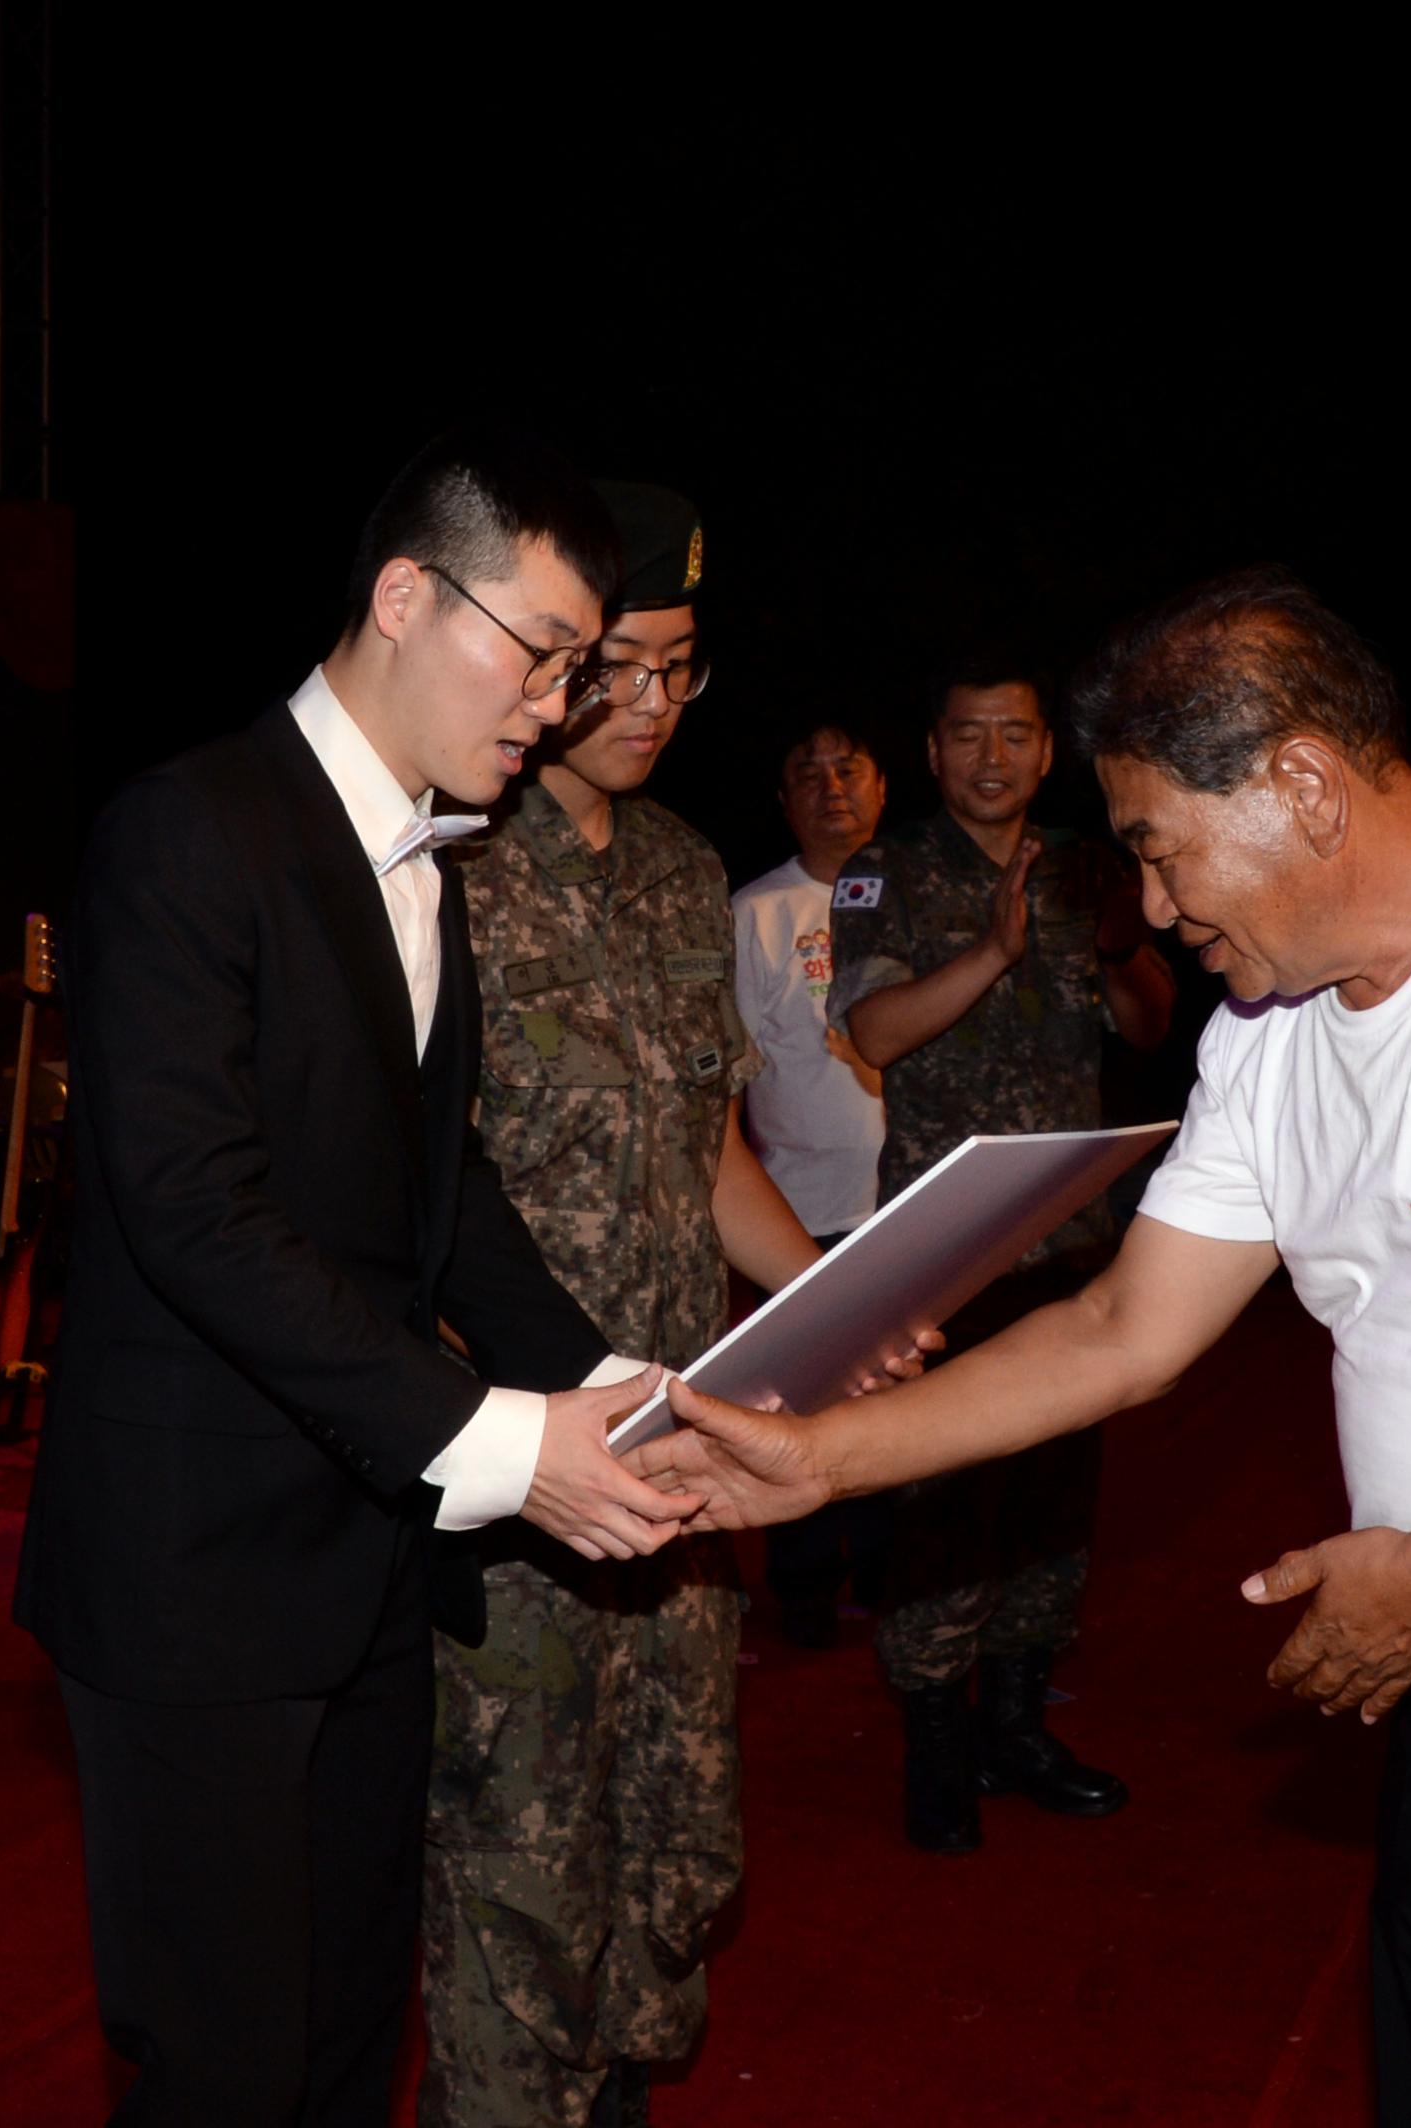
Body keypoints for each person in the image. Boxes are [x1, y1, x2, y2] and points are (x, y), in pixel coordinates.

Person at [640, 567, 1411, 2127]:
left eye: (1161, 848)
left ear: (1303, 785)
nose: (1154, 907)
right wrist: (813, 1459)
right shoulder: (1267, 1031)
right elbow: (1120, 1326)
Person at [13, 430, 707, 2126]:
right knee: (222, 2068)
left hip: (364, 1559)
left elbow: (437, 1201)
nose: (556, 700)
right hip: (191, 1579)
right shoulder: (188, 829)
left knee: (344, 2043)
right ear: (405, 592)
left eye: (580, 666)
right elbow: (193, 1208)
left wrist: (622, 1382)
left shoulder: (429, 861)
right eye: (540, 651)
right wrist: (500, 1435)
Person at [421, 482, 825, 2128]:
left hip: (686, 1440)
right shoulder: (447, 871)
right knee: (519, 1867)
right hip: (526, 1473)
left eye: (683, 672)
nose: (653, 705)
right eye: (622, 669)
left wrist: (834, 1293)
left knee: (673, 1837)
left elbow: (709, 1142)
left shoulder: (681, 869)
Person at [824, 659, 1175, 1850]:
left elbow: (1146, 1024)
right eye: (966, 736)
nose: (990, 758)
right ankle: (935, 1734)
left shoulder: (1087, 864)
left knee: (1048, 1497)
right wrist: (992, 949)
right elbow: (870, 1030)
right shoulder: (888, 872)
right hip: (940, 1248)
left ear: (1043, 752)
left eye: (1013, 737)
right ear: (931, 752)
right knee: (935, 1496)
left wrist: (1124, 947)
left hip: (1068, 1241)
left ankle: (1019, 1723)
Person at [732, 721, 897, 1646]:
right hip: (796, 1212)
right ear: (786, 802)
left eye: (850, 766)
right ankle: (799, 1594)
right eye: (809, 773)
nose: (832, 786)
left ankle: (892, 1582)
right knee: (794, 1406)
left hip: (911, 1200)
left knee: (901, 1400)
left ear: (883, 785)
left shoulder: (921, 898)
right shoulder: (754, 913)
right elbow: (731, 1073)